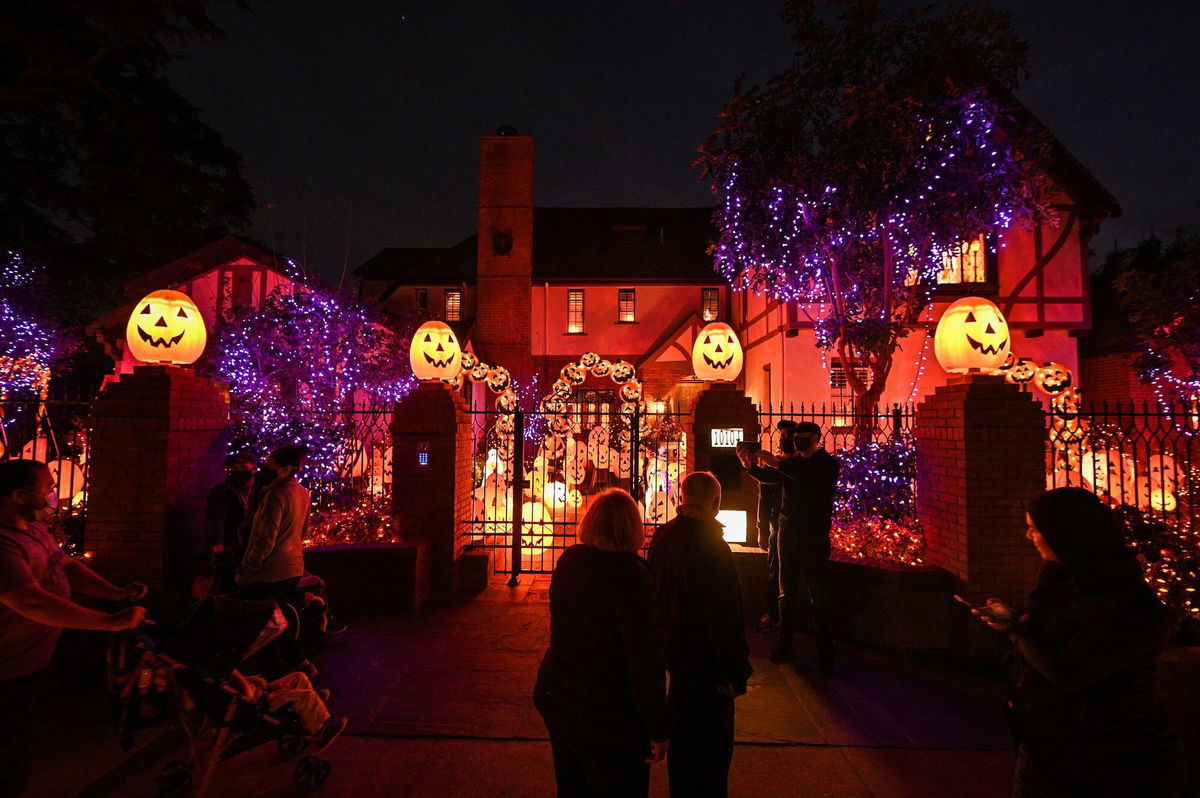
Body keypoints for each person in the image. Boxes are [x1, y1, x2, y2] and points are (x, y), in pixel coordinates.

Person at [971, 487, 1184, 798]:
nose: (1029, 536)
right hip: (1047, 750)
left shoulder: (1131, 604)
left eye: (1035, 528)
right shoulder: (1057, 582)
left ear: (1065, 533)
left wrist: (1017, 628)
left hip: (1113, 760)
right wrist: (1016, 622)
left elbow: (1069, 671)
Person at [0, 460, 147, 797]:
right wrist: (108, 623)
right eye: (47, 488)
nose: (54, 493)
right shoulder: (4, 544)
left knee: (19, 741)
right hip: (5, 672)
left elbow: (63, 564)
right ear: (20, 495)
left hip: (28, 664)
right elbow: (29, 601)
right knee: (7, 752)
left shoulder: (32, 527)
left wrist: (114, 593)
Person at [534, 488, 669, 798]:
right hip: (609, 715)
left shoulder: (570, 561)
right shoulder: (632, 579)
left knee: (572, 785)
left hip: (561, 696)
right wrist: (658, 726)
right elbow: (644, 661)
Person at [647, 472, 752, 798]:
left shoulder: (664, 537)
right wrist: (736, 671)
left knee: (683, 753)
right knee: (711, 758)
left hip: (675, 658)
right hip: (707, 667)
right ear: (715, 503)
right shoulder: (712, 545)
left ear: (681, 498)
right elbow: (725, 614)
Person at [740, 421, 839, 673]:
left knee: (819, 595)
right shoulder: (790, 464)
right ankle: (785, 645)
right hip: (788, 533)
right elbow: (769, 478)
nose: (798, 441)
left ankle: (825, 652)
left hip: (814, 536)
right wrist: (749, 464)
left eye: (804, 437)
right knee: (787, 593)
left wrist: (777, 463)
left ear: (817, 438)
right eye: (796, 438)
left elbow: (806, 477)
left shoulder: (827, 463)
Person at [236, 444, 310, 603]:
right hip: (293, 568)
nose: (266, 468)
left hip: (270, 572)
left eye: (271, 465)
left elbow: (265, 539)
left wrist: (246, 569)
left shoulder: (275, 496)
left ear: (286, 469)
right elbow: (303, 530)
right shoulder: (302, 492)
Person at [747, 419, 796, 631]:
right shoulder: (775, 465)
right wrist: (761, 529)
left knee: (790, 576)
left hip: (798, 530)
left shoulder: (799, 467)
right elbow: (764, 498)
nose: (785, 439)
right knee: (774, 573)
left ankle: (787, 619)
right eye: (782, 435)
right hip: (777, 530)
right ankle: (772, 614)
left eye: (789, 436)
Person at [228, 668, 347, 750]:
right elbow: (248, 698)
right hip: (261, 703)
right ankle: (319, 734)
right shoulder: (226, 675)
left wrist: (251, 680)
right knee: (307, 696)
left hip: (261, 692)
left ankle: (310, 710)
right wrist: (239, 677)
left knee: (299, 677)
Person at [203, 452, 256, 594]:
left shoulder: (261, 491)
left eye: (243, 467)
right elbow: (215, 519)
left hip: (253, 545)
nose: (239, 472)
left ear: (253, 468)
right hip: (232, 547)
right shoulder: (222, 492)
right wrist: (218, 547)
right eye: (235, 469)